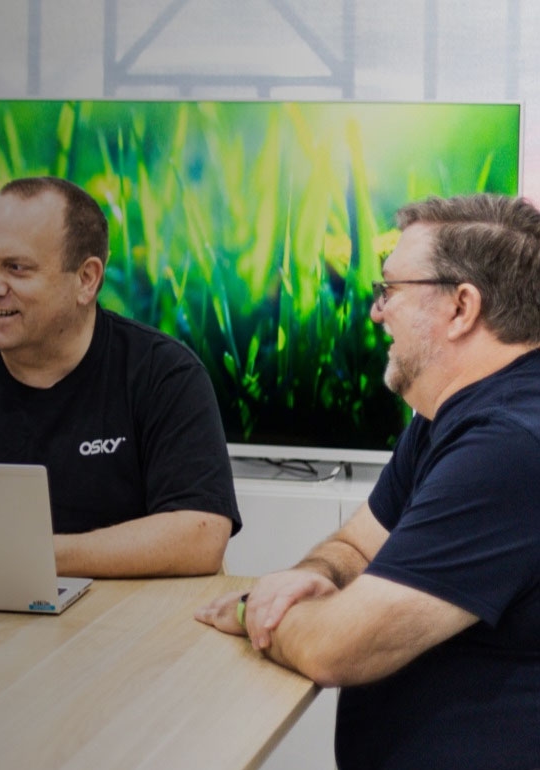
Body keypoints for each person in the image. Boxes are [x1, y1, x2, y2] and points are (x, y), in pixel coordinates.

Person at [194, 193, 540, 768]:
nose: (377, 311)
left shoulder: (505, 446)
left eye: (390, 291)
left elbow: (337, 649)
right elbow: (356, 544)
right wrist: (309, 576)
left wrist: (253, 610)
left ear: (461, 308)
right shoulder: (447, 415)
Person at [0, 176, 239, 577]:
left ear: (87, 279)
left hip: (120, 624)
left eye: (16, 268)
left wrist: (30, 556)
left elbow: (201, 535)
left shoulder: (165, 375)